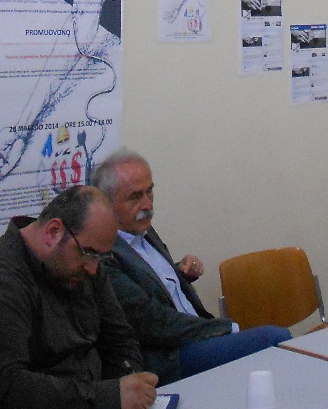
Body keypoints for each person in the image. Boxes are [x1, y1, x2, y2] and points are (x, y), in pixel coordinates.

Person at [0, 186, 158, 409]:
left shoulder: (84, 266)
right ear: (53, 231)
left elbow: (119, 340)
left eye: (101, 257)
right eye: (88, 253)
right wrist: (109, 397)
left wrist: (130, 386)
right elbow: (2, 392)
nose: (93, 268)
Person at [90, 149, 290, 383]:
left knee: (276, 347)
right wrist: (222, 329)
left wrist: (180, 272)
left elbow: (148, 280)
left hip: (193, 336)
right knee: (274, 339)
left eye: (149, 191)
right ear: (107, 203)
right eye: (135, 196)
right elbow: (152, 321)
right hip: (169, 357)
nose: (147, 204)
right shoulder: (105, 254)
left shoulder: (143, 230)